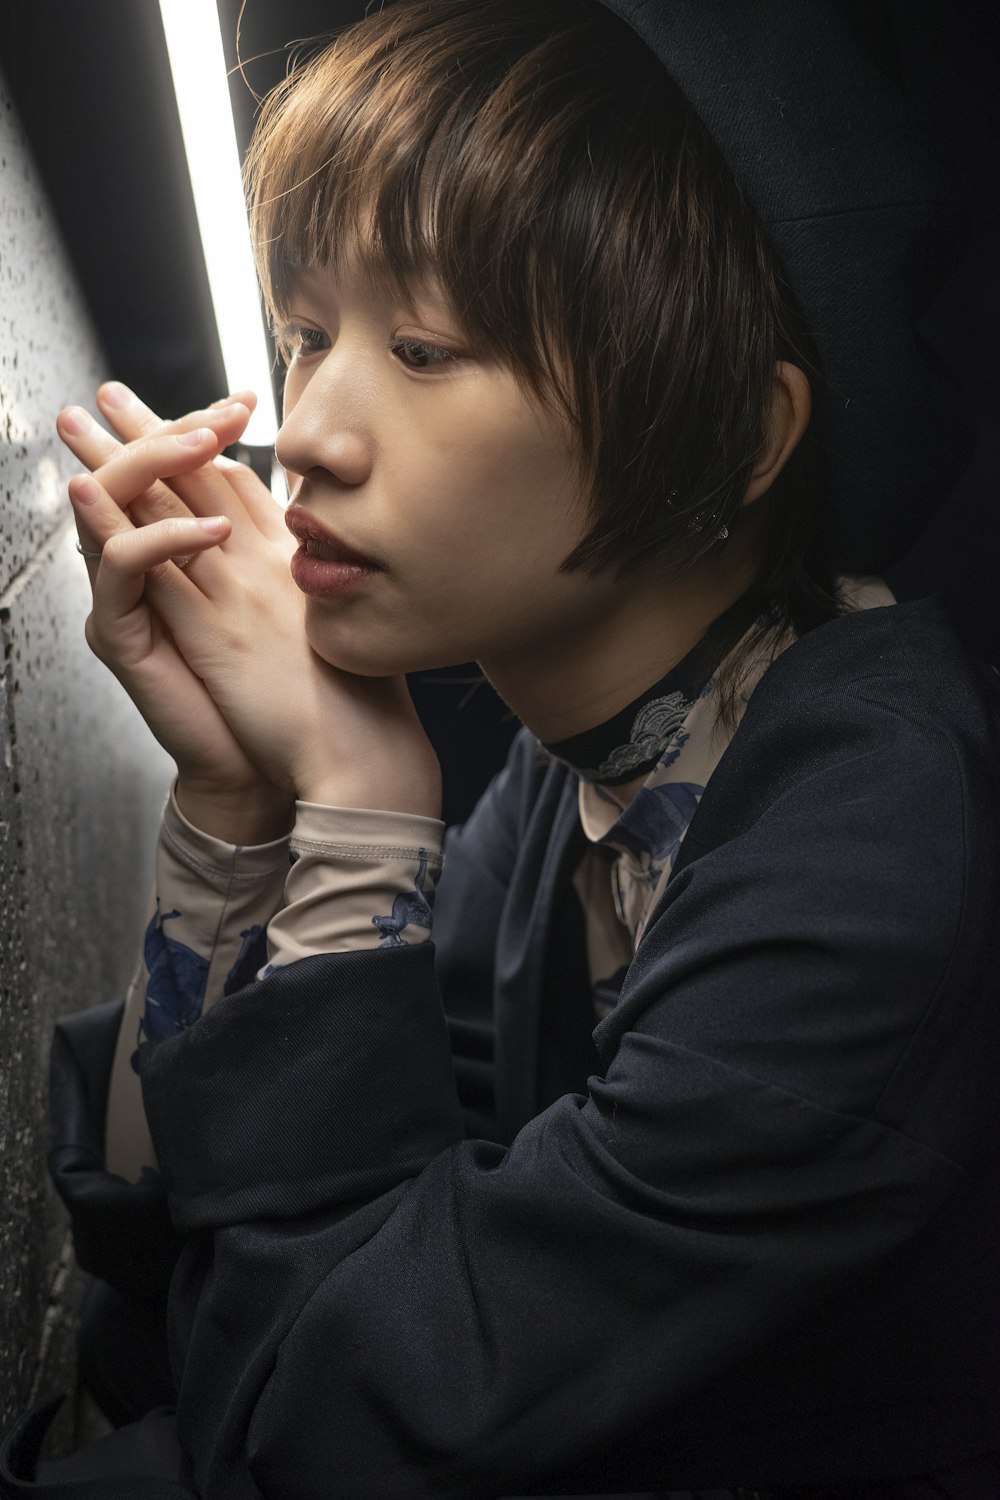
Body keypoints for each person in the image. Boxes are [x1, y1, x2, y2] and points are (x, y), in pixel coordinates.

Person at [3, 1, 999, 1495]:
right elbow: (176, 1264)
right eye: (307, 334)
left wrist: (357, 805)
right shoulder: (573, 773)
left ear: (737, 433)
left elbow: (321, 1428)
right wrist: (235, 807)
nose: (313, 428)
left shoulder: (872, 844)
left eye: (423, 346)